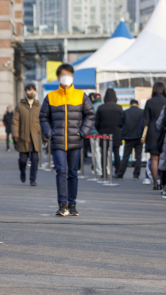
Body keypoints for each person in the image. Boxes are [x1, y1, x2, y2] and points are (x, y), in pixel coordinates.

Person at [39, 63, 95, 216]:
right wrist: (50, 133)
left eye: (69, 74)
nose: (66, 77)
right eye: (63, 74)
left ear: (72, 76)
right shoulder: (51, 96)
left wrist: (82, 132)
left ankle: (72, 204)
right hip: (57, 142)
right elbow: (43, 116)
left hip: (75, 142)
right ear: (58, 77)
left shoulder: (81, 95)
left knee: (72, 173)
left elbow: (91, 114)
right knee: (61, 171)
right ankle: (62, 204)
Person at [12, 84, 43, 186]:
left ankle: (32, 179)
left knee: (35, 159)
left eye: (33, 91)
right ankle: (22, 170)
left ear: (36, 93)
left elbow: (44, 121)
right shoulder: (20, 106)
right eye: (29, 91)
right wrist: (15, 135)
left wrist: (45, 137)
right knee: (22, 160)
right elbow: (15, 121)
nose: (31, 93)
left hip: (36, 137)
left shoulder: (39, 106)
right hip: (23, 137)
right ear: (25, 93)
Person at [142, 82, 166, 190]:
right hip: (164, 130)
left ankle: (155, 183)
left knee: (154, 158)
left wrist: (143, 135)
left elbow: (145, 120)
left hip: (152, 131)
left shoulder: (149, 101)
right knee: (164, 157)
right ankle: (163, 183)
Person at [95, 88, 123, 174]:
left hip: (104, 133)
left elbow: (96, 122)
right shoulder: (119, 108)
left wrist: (100, 130)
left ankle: (104, 171)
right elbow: (122, 121)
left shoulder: (101, 108)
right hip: (116, 132)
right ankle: (118, 170)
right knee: (116, 153)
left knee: (104, 153)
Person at [115, 99, 144, 179]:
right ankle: (136, 175)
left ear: (130, 104)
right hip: (139, 136)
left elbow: (119, 124)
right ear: (137, 105)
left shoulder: (125, 112)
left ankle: (120, 174)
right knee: (138, 156)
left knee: (126, 156)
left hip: (128, 137)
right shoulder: (142, 112)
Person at [88, 93, 103, 176]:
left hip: (93, 132)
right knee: (105, 150)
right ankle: (107, 169)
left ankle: (98, 169)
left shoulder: (92, 107)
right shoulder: (104, 106)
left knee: (95, 151)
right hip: (103, 132)